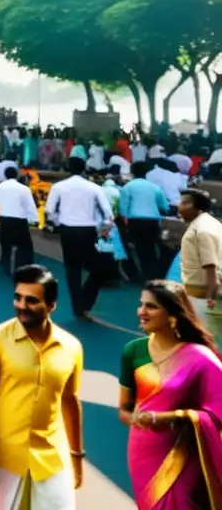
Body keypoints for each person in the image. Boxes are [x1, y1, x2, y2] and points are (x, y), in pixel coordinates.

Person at [0, 264, 85, 509]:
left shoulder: (71, 346)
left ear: (51, 306)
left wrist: (76, 456)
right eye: (18, 297)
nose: (22, 306)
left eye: (31, 300)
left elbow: (70, 400)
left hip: (53, 457)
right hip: (5, 457)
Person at [118, 280, 222, 509]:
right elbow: (124, 408)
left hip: (183, 450)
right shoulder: (133, 351)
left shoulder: (200, 357)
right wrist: (136, 418)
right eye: (141, 304)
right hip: (143, 450)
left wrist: (175, 417)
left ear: (173, 314)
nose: (141, 311)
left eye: (151, 306)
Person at [45, 156, 114, 320]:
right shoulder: (94, 188)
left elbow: (50, 211)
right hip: (89, 231)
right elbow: (108, 214)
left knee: (72, 269)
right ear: (84, 169)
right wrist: (103, 231)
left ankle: (77, 306)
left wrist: (57, 223)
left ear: (67, 169)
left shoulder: (59, 187)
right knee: (98, 267)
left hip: (68, 231)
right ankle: (86, 301)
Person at [176, 189, 222, 343]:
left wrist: (209, 296)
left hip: (203, 294)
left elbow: (210, 265)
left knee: (204, 339)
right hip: (206, 293)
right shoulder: (211, 223)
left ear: (198, 207)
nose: (180, 206)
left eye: (185, 203)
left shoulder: (202, 230)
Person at [118, 161, 171, 281]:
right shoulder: (155, 187)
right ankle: (155, 275)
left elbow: (122, 209)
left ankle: (146, 277)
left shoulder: (127, 187)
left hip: (135, 221)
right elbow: (165, 206)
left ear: (132, 173)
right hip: (153, 222)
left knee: (140, 250)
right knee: (151, 249)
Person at [0, 165, 39, 277]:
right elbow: (30, 206)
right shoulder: (24, 189)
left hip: (4, 219)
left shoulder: (0, 187)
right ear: (17, 175)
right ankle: (21, 268)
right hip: (19, 221)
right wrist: (35, 220)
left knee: (6, 246)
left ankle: (5, 267)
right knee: (25, 246)